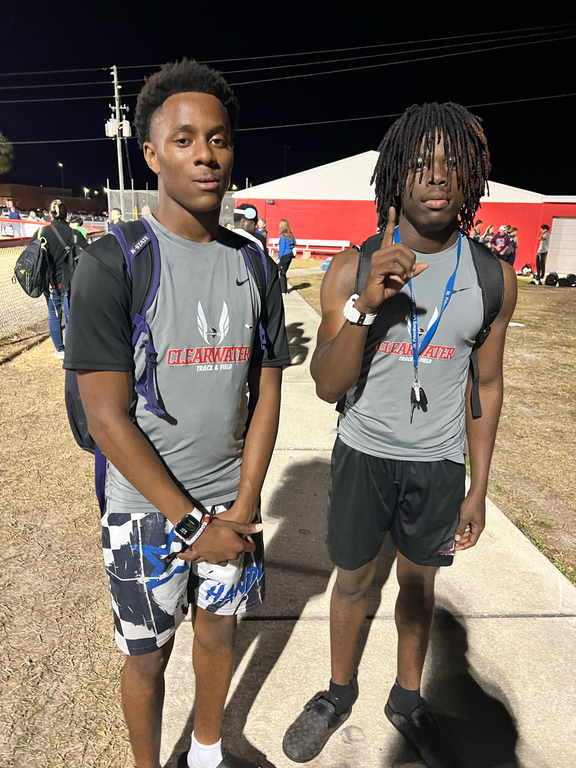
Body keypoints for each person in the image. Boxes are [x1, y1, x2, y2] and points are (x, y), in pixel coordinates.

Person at [63, 59, 289, 768]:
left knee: (218, 635)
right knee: (147, 657)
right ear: (152, 154)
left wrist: (243, 505)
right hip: (144, 515)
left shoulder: (255, 265)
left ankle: (207, 751)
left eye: (218, 139)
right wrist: (193, 525)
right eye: (184, 139)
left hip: (232, 506)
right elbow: (107, 418)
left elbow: (267, 391)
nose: (205, 155)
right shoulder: (112, 262)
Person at [282, 102, 517, 766]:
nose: (436, 176)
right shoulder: (350, 269)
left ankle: (407, 700)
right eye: (420, 163)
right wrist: (365, 307)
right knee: (353, 582)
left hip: (438, 466)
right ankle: (337, 693)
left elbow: (486, 386)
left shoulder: (493, 278)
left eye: (452, 163)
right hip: (363, 456)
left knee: (418, 586)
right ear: (394, 175)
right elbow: (326, 384)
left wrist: (478, 488)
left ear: (472, 177)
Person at [31, 200, 86, 359]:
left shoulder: (42, 232)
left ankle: (59, 350)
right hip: (70, 282)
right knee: (70, 317)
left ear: (50, 214)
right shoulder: (74, 234)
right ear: (66, 214)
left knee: (54, 316)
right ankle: (70, 350)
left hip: (50, 283)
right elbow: (88, 253)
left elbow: (31, 253)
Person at [277, 218, 296, 294]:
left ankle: (283, 290)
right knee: (283, 272)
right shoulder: (290, 235)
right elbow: (294, 243)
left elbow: (282, 248)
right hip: (290, 255)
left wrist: (279, 258)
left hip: (284, 256)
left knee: (281, 273)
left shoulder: (283, 236)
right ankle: (284, 290)